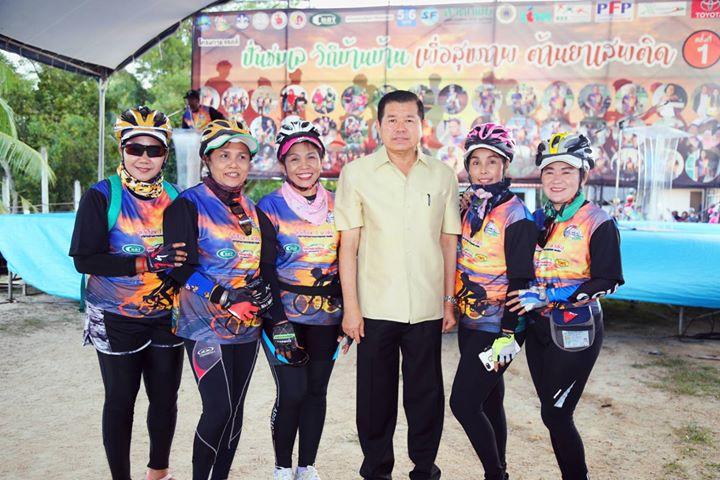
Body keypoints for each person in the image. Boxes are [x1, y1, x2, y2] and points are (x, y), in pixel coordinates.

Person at [334, 90, 462, 480]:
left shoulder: (442, 175)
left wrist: (448, 300)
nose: (400, 127)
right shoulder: (356, 174)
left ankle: (424, 468)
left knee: (426, 395)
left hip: (426, 305)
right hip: (375, 307)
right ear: (379, 126)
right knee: (375, 398)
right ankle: (376, 471)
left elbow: (448, 241)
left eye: (409, 120)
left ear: (422, 126)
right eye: (392, 119)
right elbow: (348, 246)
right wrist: (351, 308)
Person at [70, 106, 186, 480]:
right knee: (121, 402)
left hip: (166, 315)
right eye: (135, 148)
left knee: (165, 400)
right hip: (114, 315)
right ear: (122, 149)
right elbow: (85, 259)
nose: (144, 158)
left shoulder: (176, 196)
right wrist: (145, 262)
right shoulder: (101, 196)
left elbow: (187, 256)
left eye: (155, 150)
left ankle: (159, 473)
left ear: (165, 154)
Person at [162, 119, 275, 480]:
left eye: (241, 156)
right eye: (224, 155)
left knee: (235, 410)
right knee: (217, 409)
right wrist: (225, 297)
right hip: (202, 327)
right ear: (207, 160)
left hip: (247, 328)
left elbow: (264, 270)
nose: (233, 164)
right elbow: (177, 269)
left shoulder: (256, 212)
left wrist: (263, 293)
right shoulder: (186, 205)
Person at [507, 132, 624, 480]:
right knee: (550, 413)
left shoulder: (598, 221)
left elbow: (609, 280)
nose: (556, 179)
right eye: (549, 171)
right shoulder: (536, 219)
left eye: (567, 171)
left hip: (577, 328)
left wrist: (552, 296)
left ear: (582, 175)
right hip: (538, 329)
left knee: (558, 414)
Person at [449, 124, 537, 480]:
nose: (483, 170)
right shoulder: (469, 206)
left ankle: (495, 474)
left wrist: (508, 334)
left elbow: (521, 280)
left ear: (505, 166)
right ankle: (501, 471)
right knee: (489, 399)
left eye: (492, 162)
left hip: (500, 326)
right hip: (471, 320)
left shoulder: (517, 215)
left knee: (463, 403)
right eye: (476, 162)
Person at [257, 120, 344, 480]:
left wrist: (350, 314)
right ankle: (281, 467)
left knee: (316, 392)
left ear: (322, 160)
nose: (304, 165)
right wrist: (277, 321)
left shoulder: (340, 204)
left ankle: (306, 466)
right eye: (294, 158)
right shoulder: (269, 206)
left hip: (329, 317)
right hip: (283, 316)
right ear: (283, 164)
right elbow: (263, 269)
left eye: (311, 156)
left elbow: (351, 260)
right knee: (292, 392)